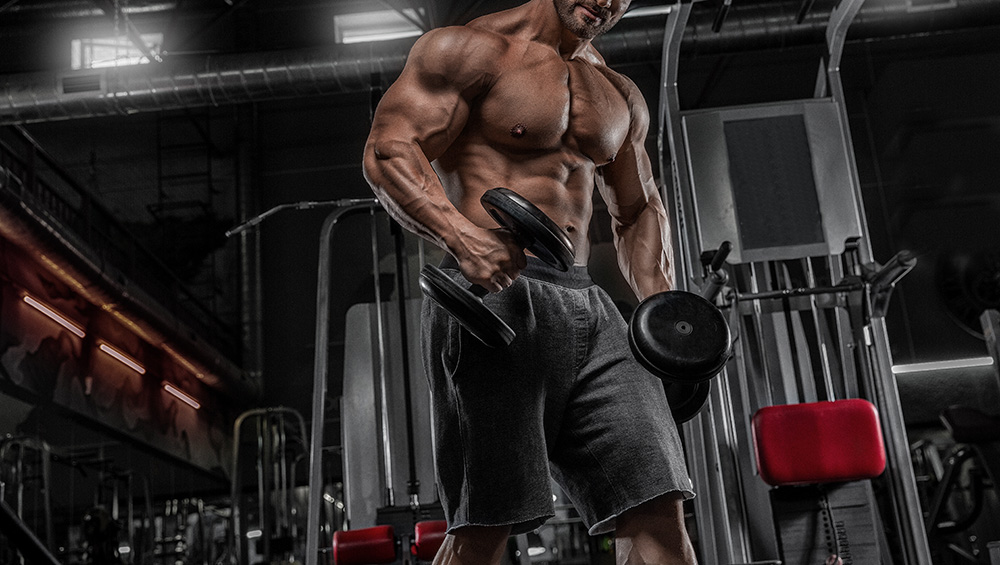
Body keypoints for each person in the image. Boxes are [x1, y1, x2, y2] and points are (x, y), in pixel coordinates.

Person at [362, 0, 697, 563]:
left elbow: (638, 209)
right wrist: (462, 238)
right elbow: (389, 150)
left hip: (589, 302)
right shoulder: (468, 50)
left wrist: (667, 316)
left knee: (658, 507)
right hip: (490, 299)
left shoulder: (617, 91)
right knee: (487, 524)